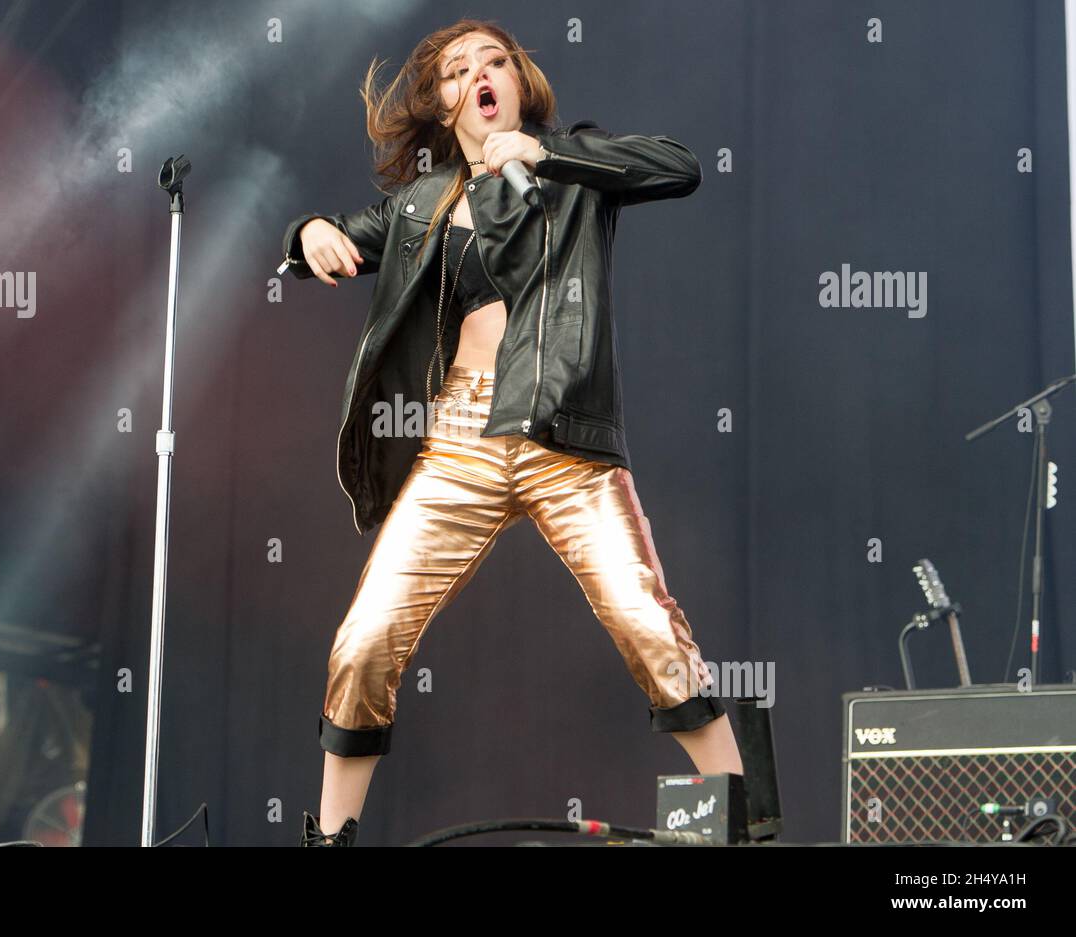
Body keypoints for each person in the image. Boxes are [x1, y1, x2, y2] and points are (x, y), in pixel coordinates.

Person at [279, 18, 743, 847]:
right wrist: (307, 232)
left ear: (519, 85)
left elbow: (680, 166)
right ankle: (330, 840)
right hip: (460, 437)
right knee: (367, 636)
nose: (480, 74)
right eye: (459, 69)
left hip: (565, 437)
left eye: (496, 61)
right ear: (444, 103)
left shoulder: (575, 166)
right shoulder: (424, 202)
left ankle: (745, 827)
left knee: (647, 622)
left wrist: (547, 156)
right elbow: (341, 237)